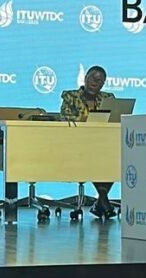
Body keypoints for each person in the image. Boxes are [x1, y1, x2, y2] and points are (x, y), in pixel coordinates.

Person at [60, 65, 117, 219]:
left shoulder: (108, 98)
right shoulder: (70, 96)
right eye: (92, 78)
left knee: (113, 155)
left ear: (103, 84)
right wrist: (88, 120)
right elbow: (65, 118)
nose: (95, 82)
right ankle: (103, 200)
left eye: (100, 80)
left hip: (102, 143)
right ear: (85, 78)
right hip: (76, 144)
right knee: (96, 154)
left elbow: (115, 120)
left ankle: (101, 200)